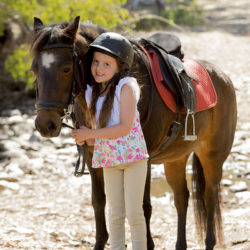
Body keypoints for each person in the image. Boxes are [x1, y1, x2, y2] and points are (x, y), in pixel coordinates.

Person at [72, 32, 149, 250]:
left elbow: (124, 127)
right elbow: (97, 135)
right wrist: (83, 138)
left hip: (133, 160)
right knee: (115, 213)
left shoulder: (126, 87)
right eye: (96, 62)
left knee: (134, 212)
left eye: (107, 64)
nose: (99, 68)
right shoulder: (92, 94)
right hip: (109, 160)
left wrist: (90, 134)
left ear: (119, 67)